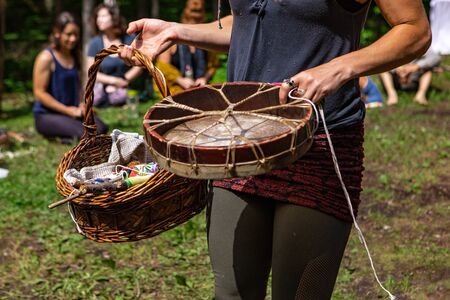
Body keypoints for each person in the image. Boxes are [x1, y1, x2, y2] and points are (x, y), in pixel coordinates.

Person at [119, 0, 431, 299]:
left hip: (318, 143)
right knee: (230, 295)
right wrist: (177, 30)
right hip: (238, 143)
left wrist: (339, 68)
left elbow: (414, 30)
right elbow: (248, 23)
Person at [33, 12, 107, 142]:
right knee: (87, 134)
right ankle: (59, 136)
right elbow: (39, 93)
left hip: (72, 112)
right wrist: (67, 110)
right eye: (68, 34)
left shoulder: (75, 56)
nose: (73, 39)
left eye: (76, 35)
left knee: (101, 128)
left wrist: (83, 105)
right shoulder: (46, 57)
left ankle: (64, 133)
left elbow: (78, 87)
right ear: (57, 33)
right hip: (47, 115)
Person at [153, 0, 219, 96]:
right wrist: (181, 80)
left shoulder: (205, 41)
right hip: (175, 91)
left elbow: (213, 65)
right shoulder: (173, 39)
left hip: (200, 90)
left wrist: (204, 78)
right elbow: (162, 67)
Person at [87, 4, 142, 107]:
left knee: (123, 96)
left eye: (103, 16)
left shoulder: (128, 39)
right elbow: (91, 72)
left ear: (114, 17)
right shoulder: (95, 43)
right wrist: (113, 82)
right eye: (98, 17)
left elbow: (139, 66)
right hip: (103, 87)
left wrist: (124, 80)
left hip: (125, 84)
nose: (99, 20)